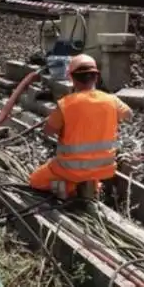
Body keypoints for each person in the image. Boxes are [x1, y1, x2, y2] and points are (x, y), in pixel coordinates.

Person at [29, 54, 133, 200]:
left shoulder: (66, 104)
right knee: (89, 175)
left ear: (71, 78)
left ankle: (71, 188)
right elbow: (128, 115)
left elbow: (48, 131)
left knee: (35, 180)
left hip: (70, 169)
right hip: (104, 168)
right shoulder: (112, 101)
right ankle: (92, 187)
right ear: (96, 77)